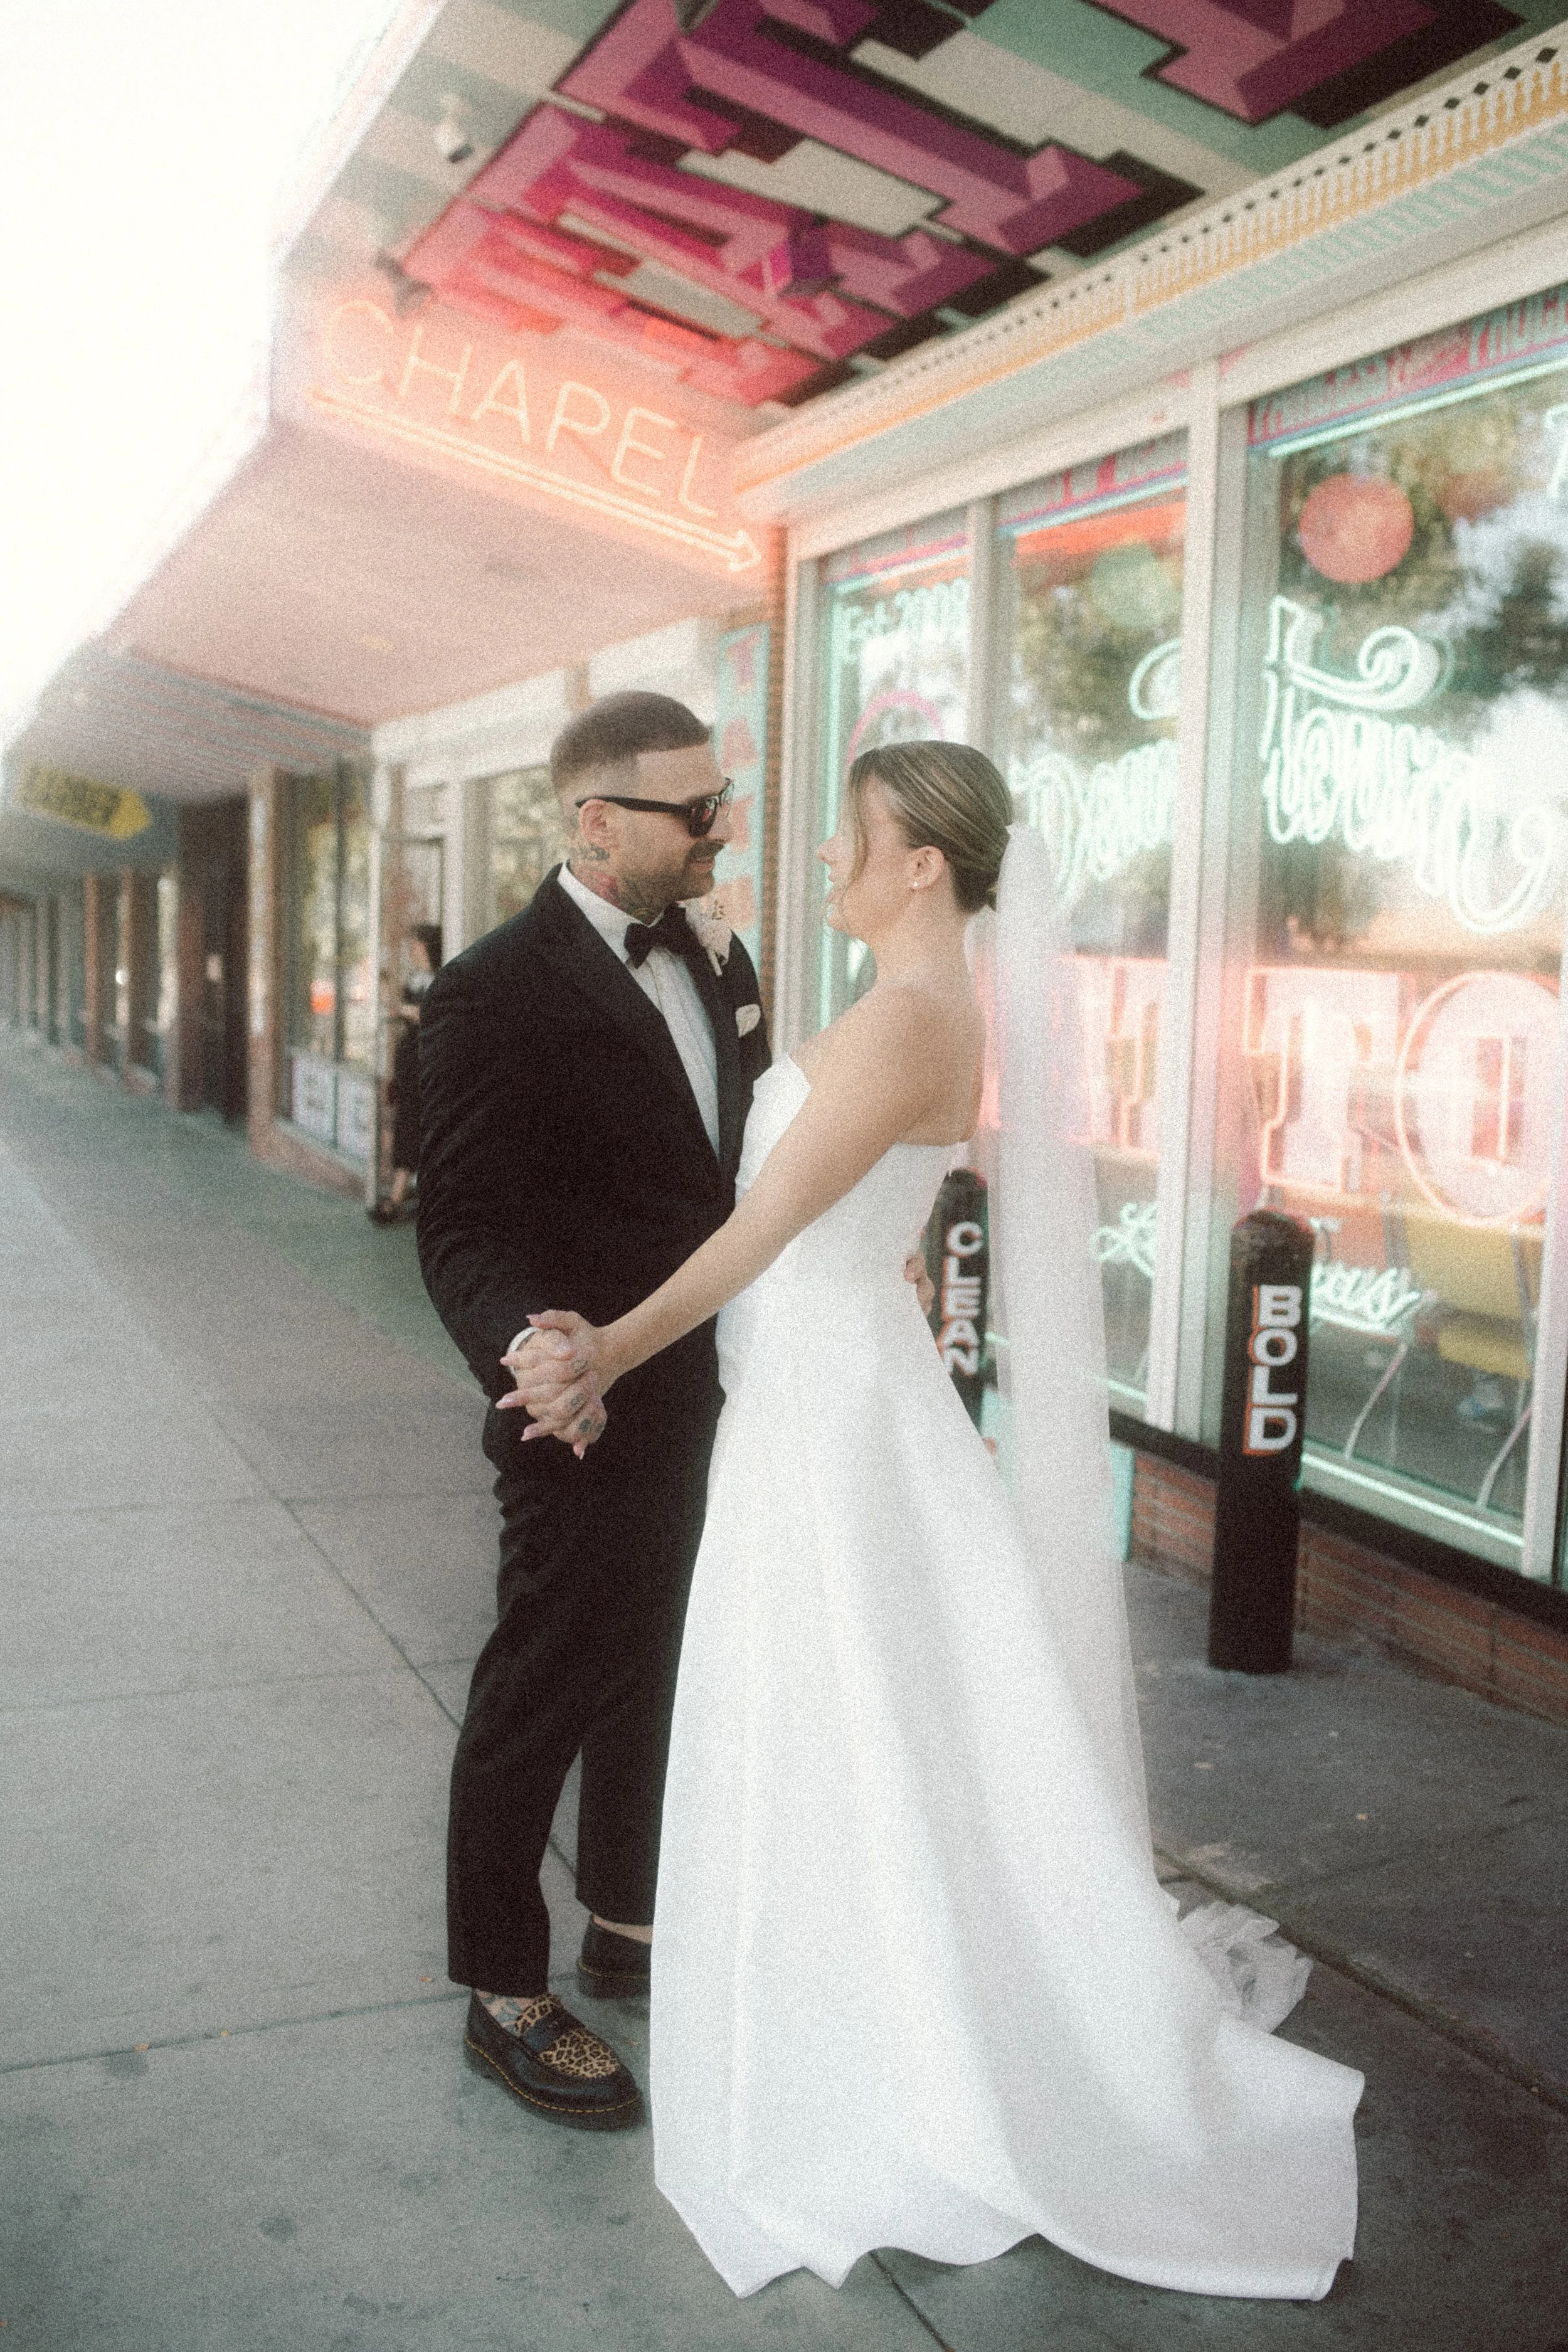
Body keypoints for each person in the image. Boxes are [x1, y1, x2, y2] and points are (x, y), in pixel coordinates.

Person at [510, 741, 1364, 2297]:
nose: (824, 849)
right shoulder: (907, 1014)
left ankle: (892, 2060)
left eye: (855, 830)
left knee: (853, 1723)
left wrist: (608, 1351)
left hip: (831, 1424)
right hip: (823, 1395)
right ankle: (860, 2002)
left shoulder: (910, 1022)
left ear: (922, 866)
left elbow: (766, 1230)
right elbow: (827, 1225)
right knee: (861, 1726)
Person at [369, 923, 442, 1224]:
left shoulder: (440, 977)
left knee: (420, 1120)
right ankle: (400, 1192)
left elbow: (431, 1013)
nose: (412, 951)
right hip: (410, 1059)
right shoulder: (415, 978)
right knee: (407, 1119)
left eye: (416, 945)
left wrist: (404, 1011)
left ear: (427, 946)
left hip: (427, 1058)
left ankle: (405, 1194)